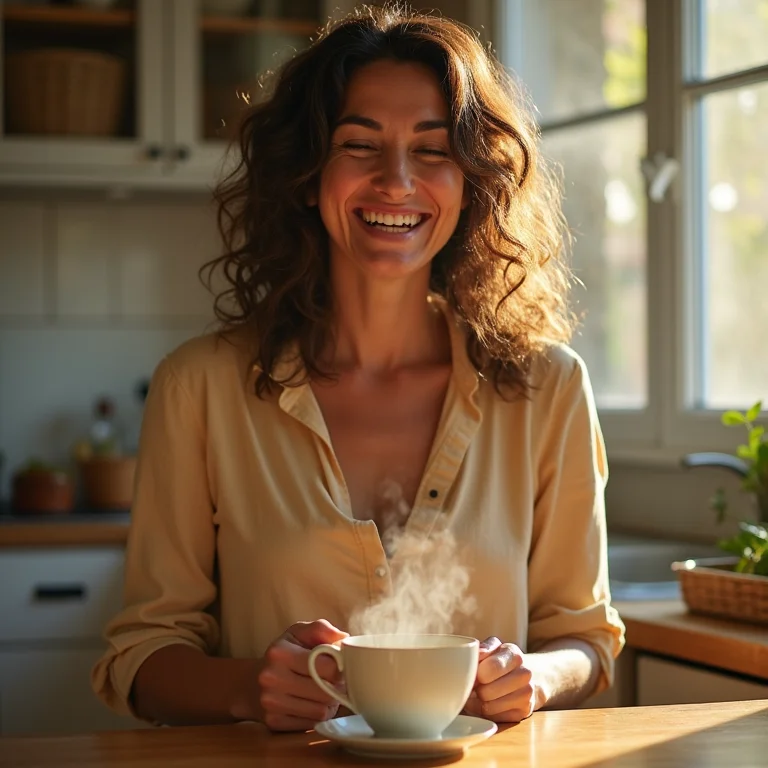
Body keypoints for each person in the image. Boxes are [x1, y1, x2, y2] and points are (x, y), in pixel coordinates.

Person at [92, 3, 625, 733]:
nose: (397, 180)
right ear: (308, 178)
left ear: (471, 183)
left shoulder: (548, 388)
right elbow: (143, 658)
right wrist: (250, 688)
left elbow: (587, 640)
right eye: (358, 145)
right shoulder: (198, 387)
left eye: (433, 150)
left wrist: (532, 676)